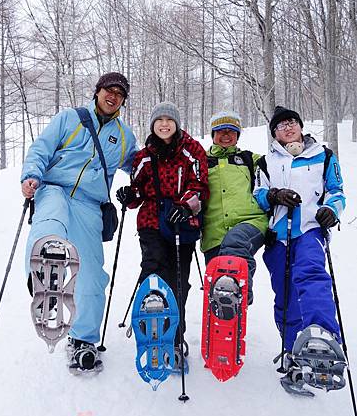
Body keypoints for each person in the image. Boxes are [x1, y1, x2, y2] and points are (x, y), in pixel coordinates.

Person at [21, 72, 138, 371]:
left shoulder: (124, 136)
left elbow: (140, 164)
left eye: (119, 94)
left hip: (90, 203)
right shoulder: (69, 119)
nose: (113, 96)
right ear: (97, 91)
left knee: (91, 275)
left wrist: (140, 184)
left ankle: (83, 340)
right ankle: (42, 273)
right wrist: (32, 175)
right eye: (109, 90)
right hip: (55, 187)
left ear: (123, 101)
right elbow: (41, 148)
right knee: (50, 222)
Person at [253, 106, 346, 388]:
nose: (288, 127)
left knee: (311, 274)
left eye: (292, 122)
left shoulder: (323, 155)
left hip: (309, 229)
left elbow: (336, 191)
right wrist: (274, 195)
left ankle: (324, 337)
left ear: (300, 126)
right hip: (278, 235)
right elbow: (258, 195)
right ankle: (292, 348)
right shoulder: (266, 162)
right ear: (275, 134)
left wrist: (331, 209)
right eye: (281, 125)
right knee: (285, 294)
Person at [116, 102, 209, 365]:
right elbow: (138, 191)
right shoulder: (144, 156)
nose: (164, 124)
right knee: (154, 271)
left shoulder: (192, 151)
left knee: (179, 278)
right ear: (153, 125)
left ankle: (176, 338)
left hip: (182, 224)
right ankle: (151, 334)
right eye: (160, 120)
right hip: (151, 222)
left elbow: (201, 186)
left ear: (177, 123)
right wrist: (129, 195)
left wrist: (186, 205)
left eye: (169, 119)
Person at [200, 111, 268, 304]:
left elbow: (279, 163)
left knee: (236, 243)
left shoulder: (249, 159)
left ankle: (243, 291)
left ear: (238, 135)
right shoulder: (201, 162)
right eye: (221, 130)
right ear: (213, 134)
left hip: (250, 222)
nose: (226, 135)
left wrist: (299, 146)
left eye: (232, 131)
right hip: (214, 233)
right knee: (218, 290)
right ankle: (222, 332)